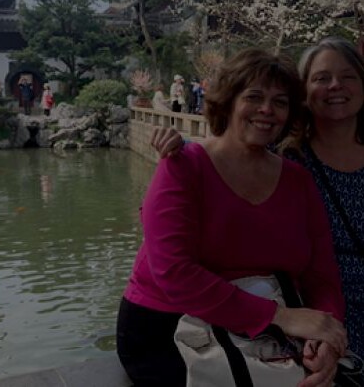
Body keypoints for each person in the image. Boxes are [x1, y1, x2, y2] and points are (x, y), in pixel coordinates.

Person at [118, 48, 347, 387]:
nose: (267, 110)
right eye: (253, 97)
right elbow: (174, 272)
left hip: (267, 324)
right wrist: (282, 318)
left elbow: (321, 275)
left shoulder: (298, 181)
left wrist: (324, 337)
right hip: (172, 324)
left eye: (280, 102)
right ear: (227, 102)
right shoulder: (183, 166)